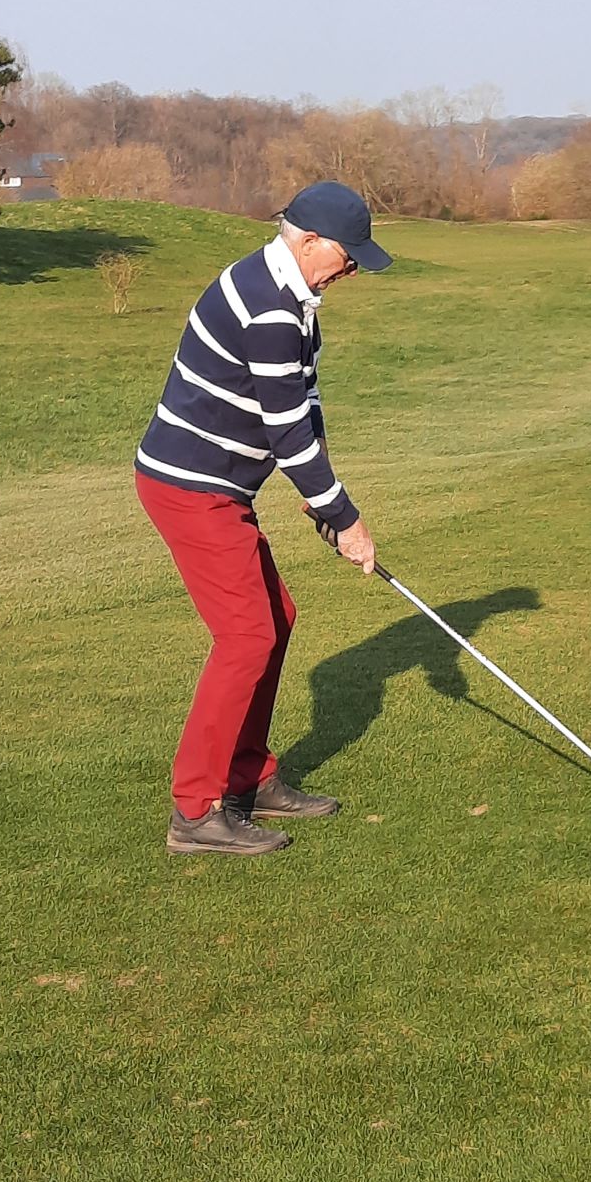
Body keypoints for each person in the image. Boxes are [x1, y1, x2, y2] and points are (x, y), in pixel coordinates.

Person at [135, 180, 391, 856]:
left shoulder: (297, 299)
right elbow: (287, 435)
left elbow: (306, 406)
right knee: (247, 634)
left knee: (275, 618)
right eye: (347, 256)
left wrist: (321, 500)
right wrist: (347, 519)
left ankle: (247, 778)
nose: (351, 270)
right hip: (189, 487)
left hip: (221, 487)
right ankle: (196, 810)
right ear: (309, 241)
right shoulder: (269, 308)